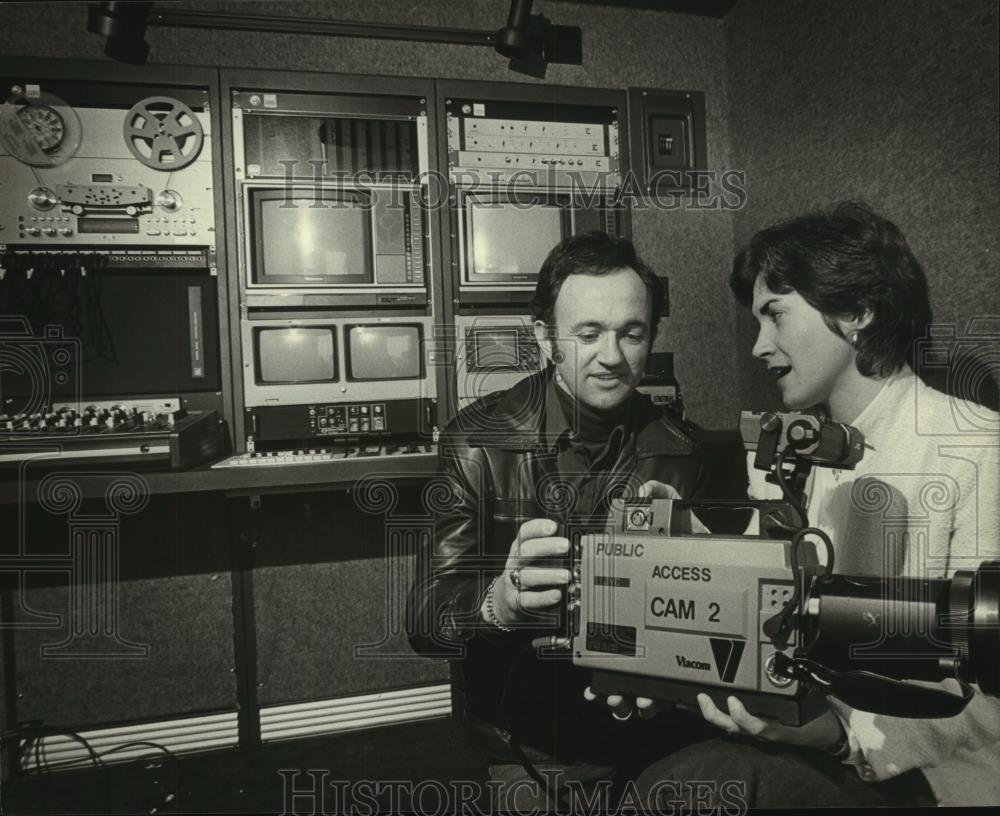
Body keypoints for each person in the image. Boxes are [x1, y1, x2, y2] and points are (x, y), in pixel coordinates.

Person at [629, 201, 1000, 808]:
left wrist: (839, 733)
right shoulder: (807, 451)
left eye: (775, 315)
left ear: (856, 310)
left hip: (935, 774)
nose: (758, 346)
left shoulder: (979, 447)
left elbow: (990, 701)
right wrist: (684, 532)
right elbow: (777, 593)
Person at [407, 232, 713, 811]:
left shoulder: (680, 451)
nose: (613, 356)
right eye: (588, 333)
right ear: (546, 338)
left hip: (653, 737)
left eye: (632, 333)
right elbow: (425, 619)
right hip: (531, 744)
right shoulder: (476, 441)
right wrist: (500, 602)